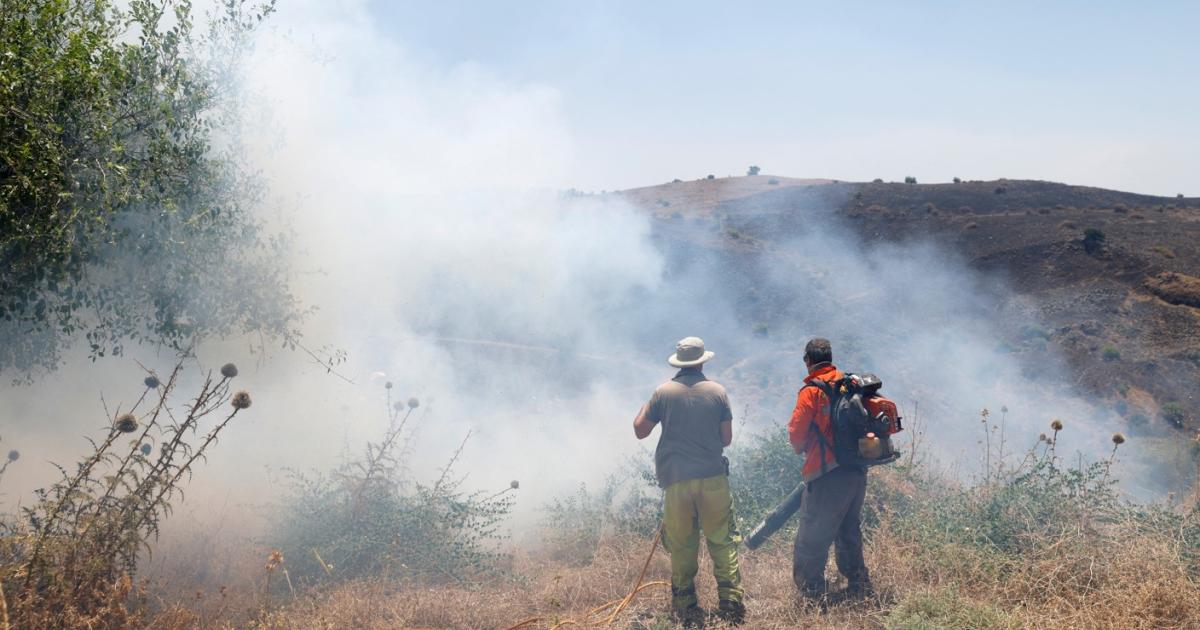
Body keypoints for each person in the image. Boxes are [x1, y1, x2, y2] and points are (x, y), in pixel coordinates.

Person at [633, 336, 745, 626]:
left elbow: (640, 430)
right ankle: (731, 603)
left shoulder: (662, 392)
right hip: (712, 479)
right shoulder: (718, 392)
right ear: (702, 361)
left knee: (682, 543)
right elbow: (726, 439)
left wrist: (652, 402)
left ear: (679, 362)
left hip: (677, 482)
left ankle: (685, 605)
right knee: (722, 540)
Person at [786, 337, 873, 601]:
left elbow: (796, 433)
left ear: (808, 361)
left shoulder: (812, 391)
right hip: (856, 471)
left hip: (827, 473)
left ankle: (812, 595)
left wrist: (802, 448)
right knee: (848, 529)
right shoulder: (849, 384)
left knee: (812, 535)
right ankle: (859, 586)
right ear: (830, 358)